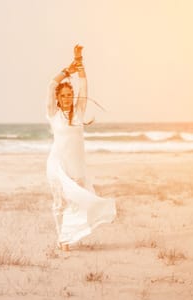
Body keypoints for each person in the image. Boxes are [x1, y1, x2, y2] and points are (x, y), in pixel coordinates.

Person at [46, 44, 116, 251]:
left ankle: (70, 234)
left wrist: (81, 62)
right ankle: (62, 239)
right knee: (60, 203)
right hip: (58, 166)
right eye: (64, 95)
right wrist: (68, 70)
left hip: (77, 166)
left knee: (79, 202)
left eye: (70, 95)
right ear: (58, 99)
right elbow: (51, 84)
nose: (67, 98)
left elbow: (84, 86)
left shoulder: (78, 113)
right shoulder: (53, 114)